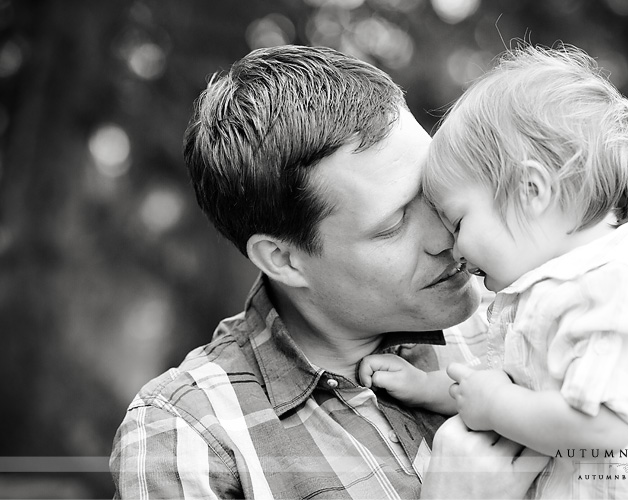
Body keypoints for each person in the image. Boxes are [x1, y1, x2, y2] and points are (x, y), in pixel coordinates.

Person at [108, 44, 548, 499]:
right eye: (394, 224)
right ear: (283, 259)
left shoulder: (532, 314)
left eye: (438, 190)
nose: (451, 236)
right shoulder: (188, 435)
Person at [359, 44, 628, 499]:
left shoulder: (615, 285)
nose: (454, 249)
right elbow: (512, 383)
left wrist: (497, 407)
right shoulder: (553, 292)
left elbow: (602, 425)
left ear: (531, 190)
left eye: (459, 222)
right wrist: (427, 387)